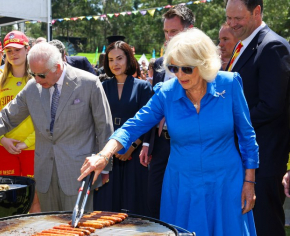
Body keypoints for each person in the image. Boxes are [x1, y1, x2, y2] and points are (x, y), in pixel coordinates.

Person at [80, 28, 259, 236]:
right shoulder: (167, 93)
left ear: (204, 64)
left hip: (226, 183)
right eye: (174, 68)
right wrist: (104, 155)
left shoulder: (229, 84)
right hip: (182, 187)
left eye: (187, 69)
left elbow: (248, 137)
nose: (180, 75)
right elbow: (133, 126)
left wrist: (249, 182)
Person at [0, 42, 113, 212]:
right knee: (49, 226)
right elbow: (7, 115)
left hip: (78, 172)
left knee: (79, 227)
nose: (37, 80)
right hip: (44, 175)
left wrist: (105, 165)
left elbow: (103, 127)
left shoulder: (88, 83)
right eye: (33, 74)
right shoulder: (33, 87)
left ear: (58, 67)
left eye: (42, 75)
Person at [225, 1, 290, 235]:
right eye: (229, 18)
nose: (231, 24)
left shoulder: (272, 47)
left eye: (238, 18)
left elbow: (270, 106)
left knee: (265, 226)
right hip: (243, 158)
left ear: (257, 12)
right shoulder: (243, 44)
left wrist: (228, 122)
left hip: (265, 162)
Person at [139, 4, 194, 219]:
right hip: (161, 143)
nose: (169, 37)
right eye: (166, 32)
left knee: (185, 201)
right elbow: (153, 108)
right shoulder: (161, 63)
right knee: (155, 200)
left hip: (190, 143)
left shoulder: (204, 65)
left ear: (189, 31)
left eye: (174, 31)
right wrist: (146, 142)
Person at [93, 41, 152, 216]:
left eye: (119, 58)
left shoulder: (142, 87)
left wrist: (132, 146)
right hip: (109, 152)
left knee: (133, 203)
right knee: (107, 205)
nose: (115, 64)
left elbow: (148, 121)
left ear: (129, 59)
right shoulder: (103, 87)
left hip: (134, 154)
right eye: (111, 60)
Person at [0, 30, 40, 212]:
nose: (13, 54)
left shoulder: (38, 79)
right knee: (8, 200)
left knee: (35, 198)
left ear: (27, 49)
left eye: (17, 49)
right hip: (5, 148)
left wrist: (26, 143)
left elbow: (47, 118)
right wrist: (1, 140)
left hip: (33, 148)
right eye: (8, 51)